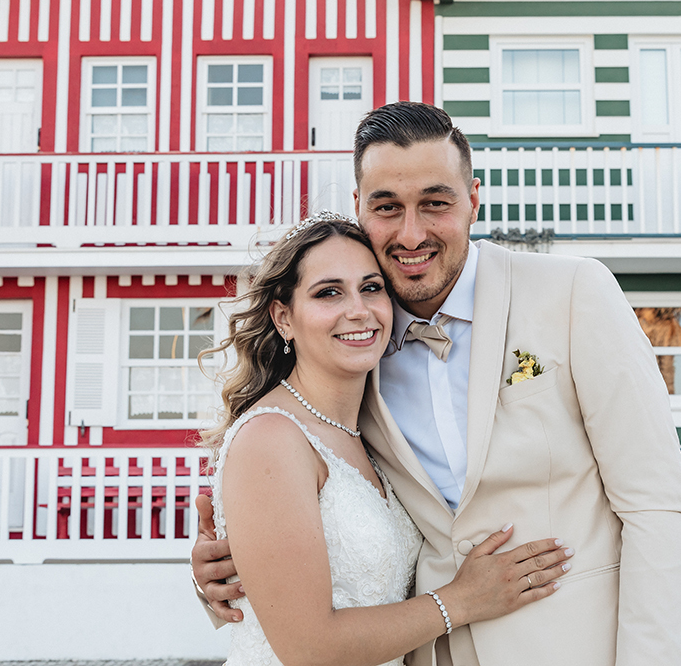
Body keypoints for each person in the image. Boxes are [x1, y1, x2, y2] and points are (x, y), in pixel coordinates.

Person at [194, 102, 681, 666]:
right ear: (360, 209)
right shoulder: (356, 353)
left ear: (473, 200)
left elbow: (656, 505)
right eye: (387, 207)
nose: (412, 234)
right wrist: (226, 576)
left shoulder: (575, 292)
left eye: (435, 203)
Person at [201, 211, 572, 666]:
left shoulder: (374, 432)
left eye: (371, 287)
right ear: (284, 317)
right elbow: (309, 649)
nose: (358, 309)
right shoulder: (272, 438)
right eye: (329, 292)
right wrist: (463, 600)